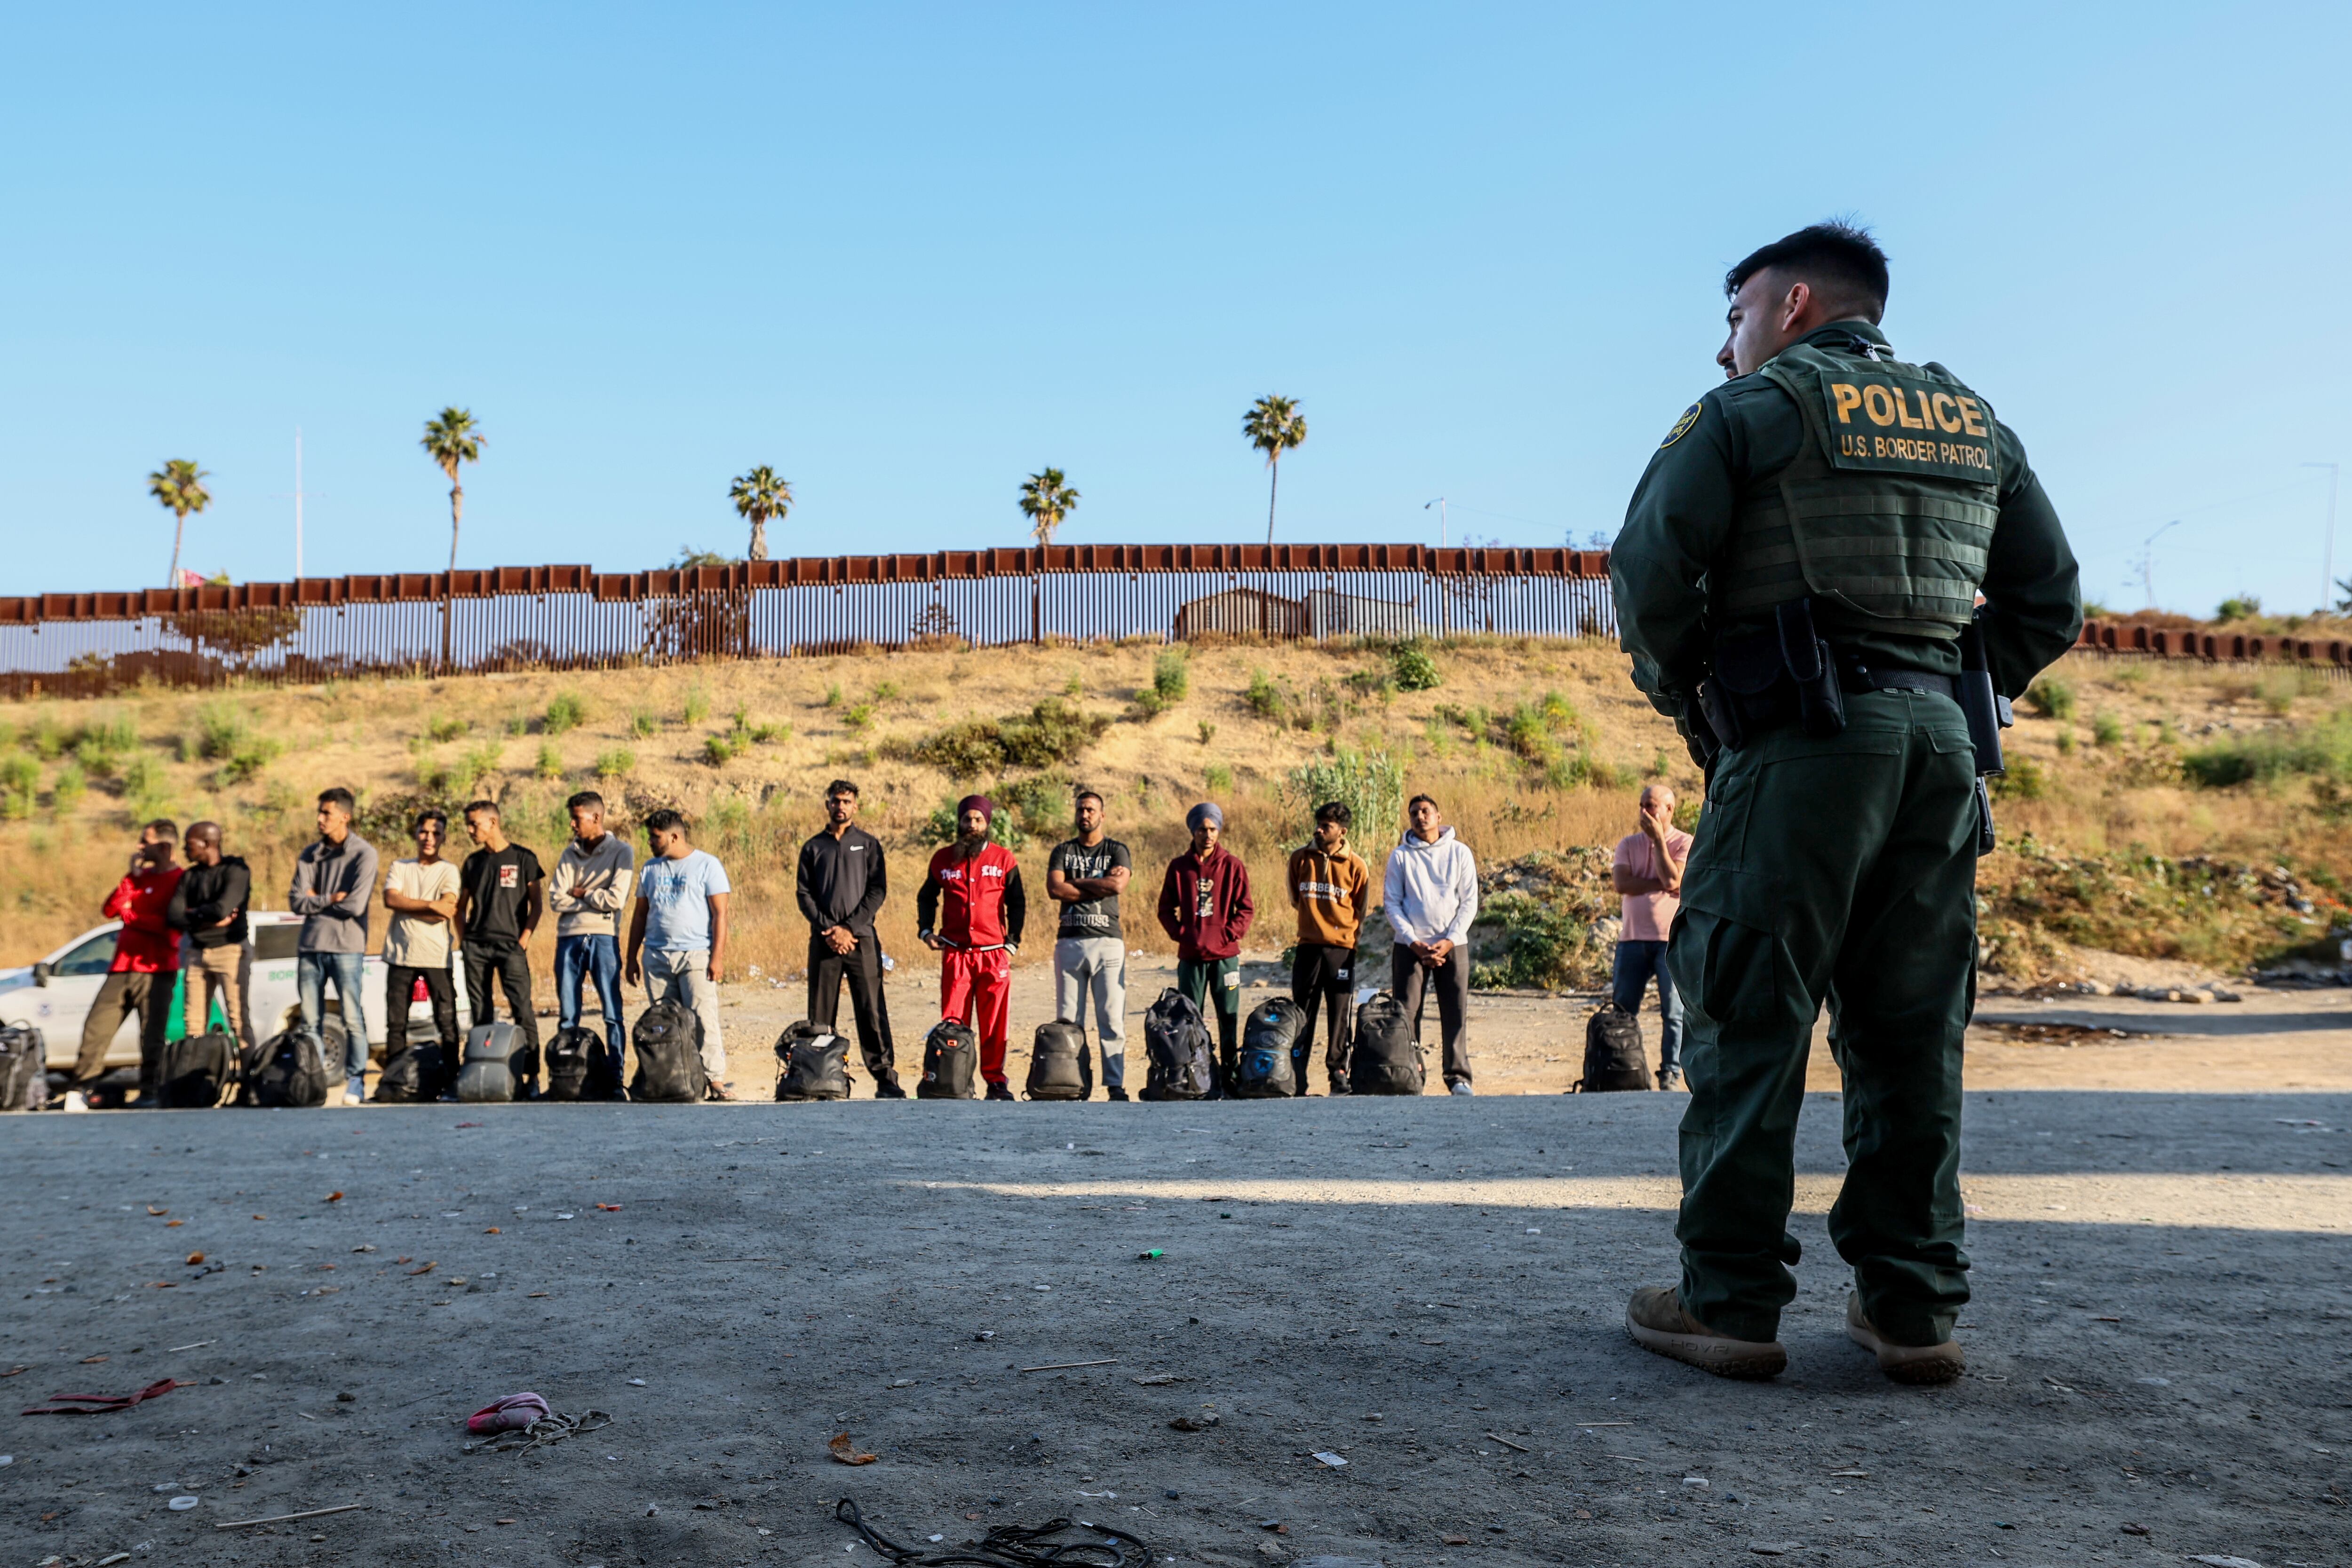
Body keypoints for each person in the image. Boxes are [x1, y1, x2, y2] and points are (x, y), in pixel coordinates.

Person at [1610, 222, 2080, 1385]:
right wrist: (1955, 680)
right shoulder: (1976, 422)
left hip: (1803, 745)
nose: (1726, 350)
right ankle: (1911, 1307)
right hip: (1939, 749)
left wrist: (1700, 706)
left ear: (1796, 305)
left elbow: (1649, 569)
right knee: (1911, 1030)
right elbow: (2050, 600)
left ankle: (1727, 1301)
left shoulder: (1749, 414)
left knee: (1744, 1014)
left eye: (1735, 318)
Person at [916, 795, 1025, 1101]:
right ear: (959, 822)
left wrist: (1013, 942)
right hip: (956, 953)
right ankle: (955, 1079)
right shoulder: (942, 859)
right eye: (967, 820)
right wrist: (926, 931)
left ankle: (995, 1081)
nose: (972, 825)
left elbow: (1017, 902)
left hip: (994, 954)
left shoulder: (1004, 859)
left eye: (978, 820)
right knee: (953, 1021)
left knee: (994, 1023)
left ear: (988, 823)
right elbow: (927, 897)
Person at [69, 820, 183, 1110]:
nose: (139, 847)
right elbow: (110, 909)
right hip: (121, 966)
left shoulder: (180, 880)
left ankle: (150, 1091)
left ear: (164, 847)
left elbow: (170, 927)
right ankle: (83, 1088)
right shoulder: (137, 878)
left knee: (151, 1033)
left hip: (157, 969)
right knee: (97, 1026)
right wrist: (131, 879)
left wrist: (131, 917)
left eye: (145, 841)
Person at [796, 780, 898, 1095]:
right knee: (821, 1012)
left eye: (846, 801)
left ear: (856, 806)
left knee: (871, 1008)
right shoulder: (813, 847)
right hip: (825, 941)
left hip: (861, 939)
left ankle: (885, 1079)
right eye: (835, 801)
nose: (840, 806)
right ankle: (820, 1076)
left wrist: (850, 928)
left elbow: (877, 890)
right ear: (827, 804)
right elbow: (804, 894)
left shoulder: (868, 845)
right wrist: (829, 929)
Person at [625, 808, 734, 1099]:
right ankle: (675, 1079)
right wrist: (632, 957)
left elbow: (720, 915)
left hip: (696, 955)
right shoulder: (650, 868)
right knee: (665, 1023)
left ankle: (714, 1080)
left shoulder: (707, 865)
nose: (650, 842)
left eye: (655, 837)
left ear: (674, 836)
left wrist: (717, 958)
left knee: (702, 1018)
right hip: (657, 957)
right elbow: (639, 915)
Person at [1383, 794, 1478, 1095]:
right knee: (1407, 1013)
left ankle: (1458, 1076)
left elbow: (1469, 902)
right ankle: (1411, 1074)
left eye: (1426, 812)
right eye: (1414, 813)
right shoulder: (1401, 856)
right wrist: (1414, 943)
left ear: (1439, 817)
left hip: (1453, 944)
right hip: (1410, 948)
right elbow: (1392, 904)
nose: (1420, 817)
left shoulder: (1460, 853)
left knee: (1455, 1011)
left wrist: (1449, 941)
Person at [289, 787, 378, 1105]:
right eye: (320, 812)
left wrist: (315, 899)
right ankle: (315, 1082)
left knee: (352, 1017)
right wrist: (329, 898)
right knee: (310, 1020)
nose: (320, 819)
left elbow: (354, 906)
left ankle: (356, 1081)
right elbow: (296, 901)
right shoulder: (310, 854)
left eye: (326, 813)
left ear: (345, 816)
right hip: (311, 946)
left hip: (346, 947)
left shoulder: (364, 854)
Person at [1156, 801, 1253, 1087]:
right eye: (1202, 829)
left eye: (1213, 829)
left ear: (1219, 831)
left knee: (1229, 1017)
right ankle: (1195, 1075)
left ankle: (1231, 1077)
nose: (1208, 835)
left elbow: (1246, 909)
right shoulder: (1179, 868)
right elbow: (1165, 910)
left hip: (1226, 958)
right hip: (1191, 958)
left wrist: (1228, 935)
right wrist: (1183, 934)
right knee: (1189, 1019)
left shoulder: (1233, 866)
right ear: (1193, 831)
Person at [1047, 788, 1133, 1101]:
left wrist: (1077, 883)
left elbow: (1117, 885)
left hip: (1108, 943)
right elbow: (1055, 889)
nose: (1085, 815)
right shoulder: (1062, 851)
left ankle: (1115, 1085)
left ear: (1102, 815)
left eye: (1091, 810)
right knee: (1070, 1021)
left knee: (1111, 1019)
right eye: (1081, 810)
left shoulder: (1117, 850)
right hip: (1070, 943)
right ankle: (1074, 1083)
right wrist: (1098, 885)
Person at [455, 800, 545, 1093]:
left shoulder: (524, 859)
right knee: (481, 1012)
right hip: (476, 948)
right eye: (468, 825)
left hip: (511, 947)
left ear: (493, 823)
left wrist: (524, 941)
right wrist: (465, 939)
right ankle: (483, 1077)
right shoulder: (472, 862)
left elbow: (536, 906)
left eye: (475, 824)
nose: (470, 831)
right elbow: (460, 907)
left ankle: (531, 1078)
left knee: (523, 1009)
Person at [549, 790, 635, 1091]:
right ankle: (566, 1079)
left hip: (603, 937)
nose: (572, 825)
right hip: (568, 938)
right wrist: (594, 901)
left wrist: (583, 893)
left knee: (612, 1013)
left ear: (596, 818)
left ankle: (616, 1079)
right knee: (568, 1014)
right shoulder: (568, 854)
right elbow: (556, 900)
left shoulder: (622, 852)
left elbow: (616, 899)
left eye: (577, 818)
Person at [1611, 784, 1692, 1091]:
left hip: (1671, 942)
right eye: (1642, 804)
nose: (1645, 811)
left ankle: (1669, 1072)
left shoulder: (1685, 842)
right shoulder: (1628, 844)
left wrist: (1659, 840)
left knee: (1673, 1012)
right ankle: (1623, 1068)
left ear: (1670, 810)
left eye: (1653, 805)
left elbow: (1675, 879)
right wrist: (1661, 883)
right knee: (1623, 1011)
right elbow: (1622, 884)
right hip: (1631, 940)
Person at [1287, 800, 1371, 1096]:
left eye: (1327, 826)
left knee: (1339, 1015)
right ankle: (1297, 1077)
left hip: (1341, 950)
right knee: (1302, 1014)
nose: (1319, 830)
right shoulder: (1300, 858)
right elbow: (1297, 899)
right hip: (1308, 947)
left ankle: (1338, 1074)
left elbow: (1360, 908)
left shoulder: (1356, 865)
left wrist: (1346, 937)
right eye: (1318, 824)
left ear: (1342, 831)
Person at [380, 809, 461, 1097]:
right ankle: (395, 1082)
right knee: (396, 1024)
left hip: (437, 956)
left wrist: (408, 904)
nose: (429, 838)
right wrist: (430, 905)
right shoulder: (400, 866)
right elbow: (391, 899)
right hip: (400, 955)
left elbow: (447, 909)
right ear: (415, 833)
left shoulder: (449, 870)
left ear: (443, 837)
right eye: (424, 832)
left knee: (447, 1022)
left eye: (436, 833)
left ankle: (453, 1082)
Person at [167, 820, 250, 1051]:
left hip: (230, 950)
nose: (185, 850)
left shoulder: (236, 870)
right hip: (196, 952)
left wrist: (193, 914)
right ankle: (196, 1082)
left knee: (238, 1022)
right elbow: (173, 917)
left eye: (189, 844)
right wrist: (208, 923)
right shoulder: (189, 877)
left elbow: (222, 909)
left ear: (207, 843)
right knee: (193, 1025)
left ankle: (248, 1083)